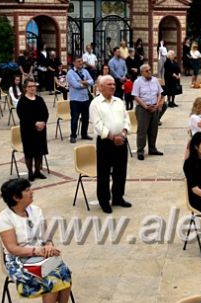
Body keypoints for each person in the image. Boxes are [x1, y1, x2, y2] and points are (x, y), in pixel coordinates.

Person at [0, 178, 73, 303]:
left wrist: (49, 245)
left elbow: (46, 236)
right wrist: (38, 250)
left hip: (40, 254)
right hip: (18, 260)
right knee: (51, 277)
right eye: (27, 190)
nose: (32, 192)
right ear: (16, 197)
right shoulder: (4, 217)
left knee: (65, 271)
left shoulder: (36, 210)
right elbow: (13, 249)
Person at [90, 75, 132, 213]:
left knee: (121, 171)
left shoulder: (119, 101)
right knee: (104, 173)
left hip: (122, 140)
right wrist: (113, 137)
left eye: (113, 84)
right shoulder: (95, 104)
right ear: (100, 87)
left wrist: (124, 134)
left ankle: (118, 197)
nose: (113, 86)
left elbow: (126, 119)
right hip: (105, 143)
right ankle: (104, 200)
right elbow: (97, 125)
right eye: (109, 84)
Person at [16, 79, 49, 181]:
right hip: (28, 130)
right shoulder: (22, 101)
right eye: (30, 86)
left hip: (41, 130)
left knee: (39, 151)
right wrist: (35, 123)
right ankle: (30, 172)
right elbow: (23, 117)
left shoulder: (39, 99)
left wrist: (43, 122)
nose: (33, 88)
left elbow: (45, 113)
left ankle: (37, 171)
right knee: (29, 153)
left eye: (34, 86)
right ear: (26, 88)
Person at [132, 64, 165, 160]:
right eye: (147, 71)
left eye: (150, 70)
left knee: (154, 129)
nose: (149, 72)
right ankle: (140, 151)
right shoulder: (138, 82)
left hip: (154, 107)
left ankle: (152, 148)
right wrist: (146, 106)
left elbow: (159, 93)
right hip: (143, 108)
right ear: (142, 72)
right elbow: (136, 96)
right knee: (142, 130)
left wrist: (157, 105)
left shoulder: (155, 80)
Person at [66, 56, 94, 144]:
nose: (81, 63)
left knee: (86, 118)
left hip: (85, 98)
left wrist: (84, 82)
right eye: (78, 61)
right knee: (75, 118)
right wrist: (85, 84)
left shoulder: (85, 71)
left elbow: (92, 81)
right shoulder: (70, 73)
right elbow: (75, 85)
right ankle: (73, 135)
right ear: (74, 63)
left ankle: (84, 134)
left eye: (81, 61)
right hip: (75, 99)